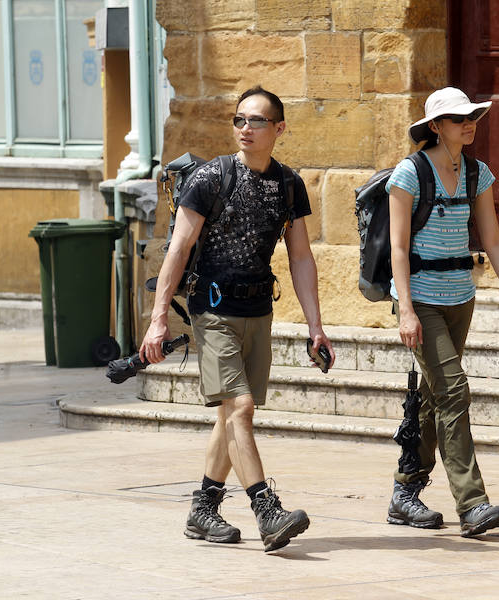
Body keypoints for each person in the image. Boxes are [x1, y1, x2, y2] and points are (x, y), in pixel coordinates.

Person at [139, 85, 335, 552]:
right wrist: (158, 317)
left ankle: (203, 511)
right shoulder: (210, 178)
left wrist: (316, 327)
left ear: (279, 129)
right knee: (240, 409)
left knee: (230, 415)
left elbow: (302, 258)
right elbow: (179, 248)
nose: (246, 128)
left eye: (257, 121)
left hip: (258, 312)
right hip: (213, 311)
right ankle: (267, 511)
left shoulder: (289, 184)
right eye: (239, 120)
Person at [385, 87, 499, 537]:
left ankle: (405, 491)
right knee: (453, 391)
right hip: (421, 299)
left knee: (435, 398)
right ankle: (472, 503)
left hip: (459, 298)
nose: (468, 124)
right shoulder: (410, 173)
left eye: (472, 116)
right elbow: (398, 246)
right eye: (456, 118)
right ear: (435, 127)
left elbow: (493, 240)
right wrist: (405, 309)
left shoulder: (477, 173)